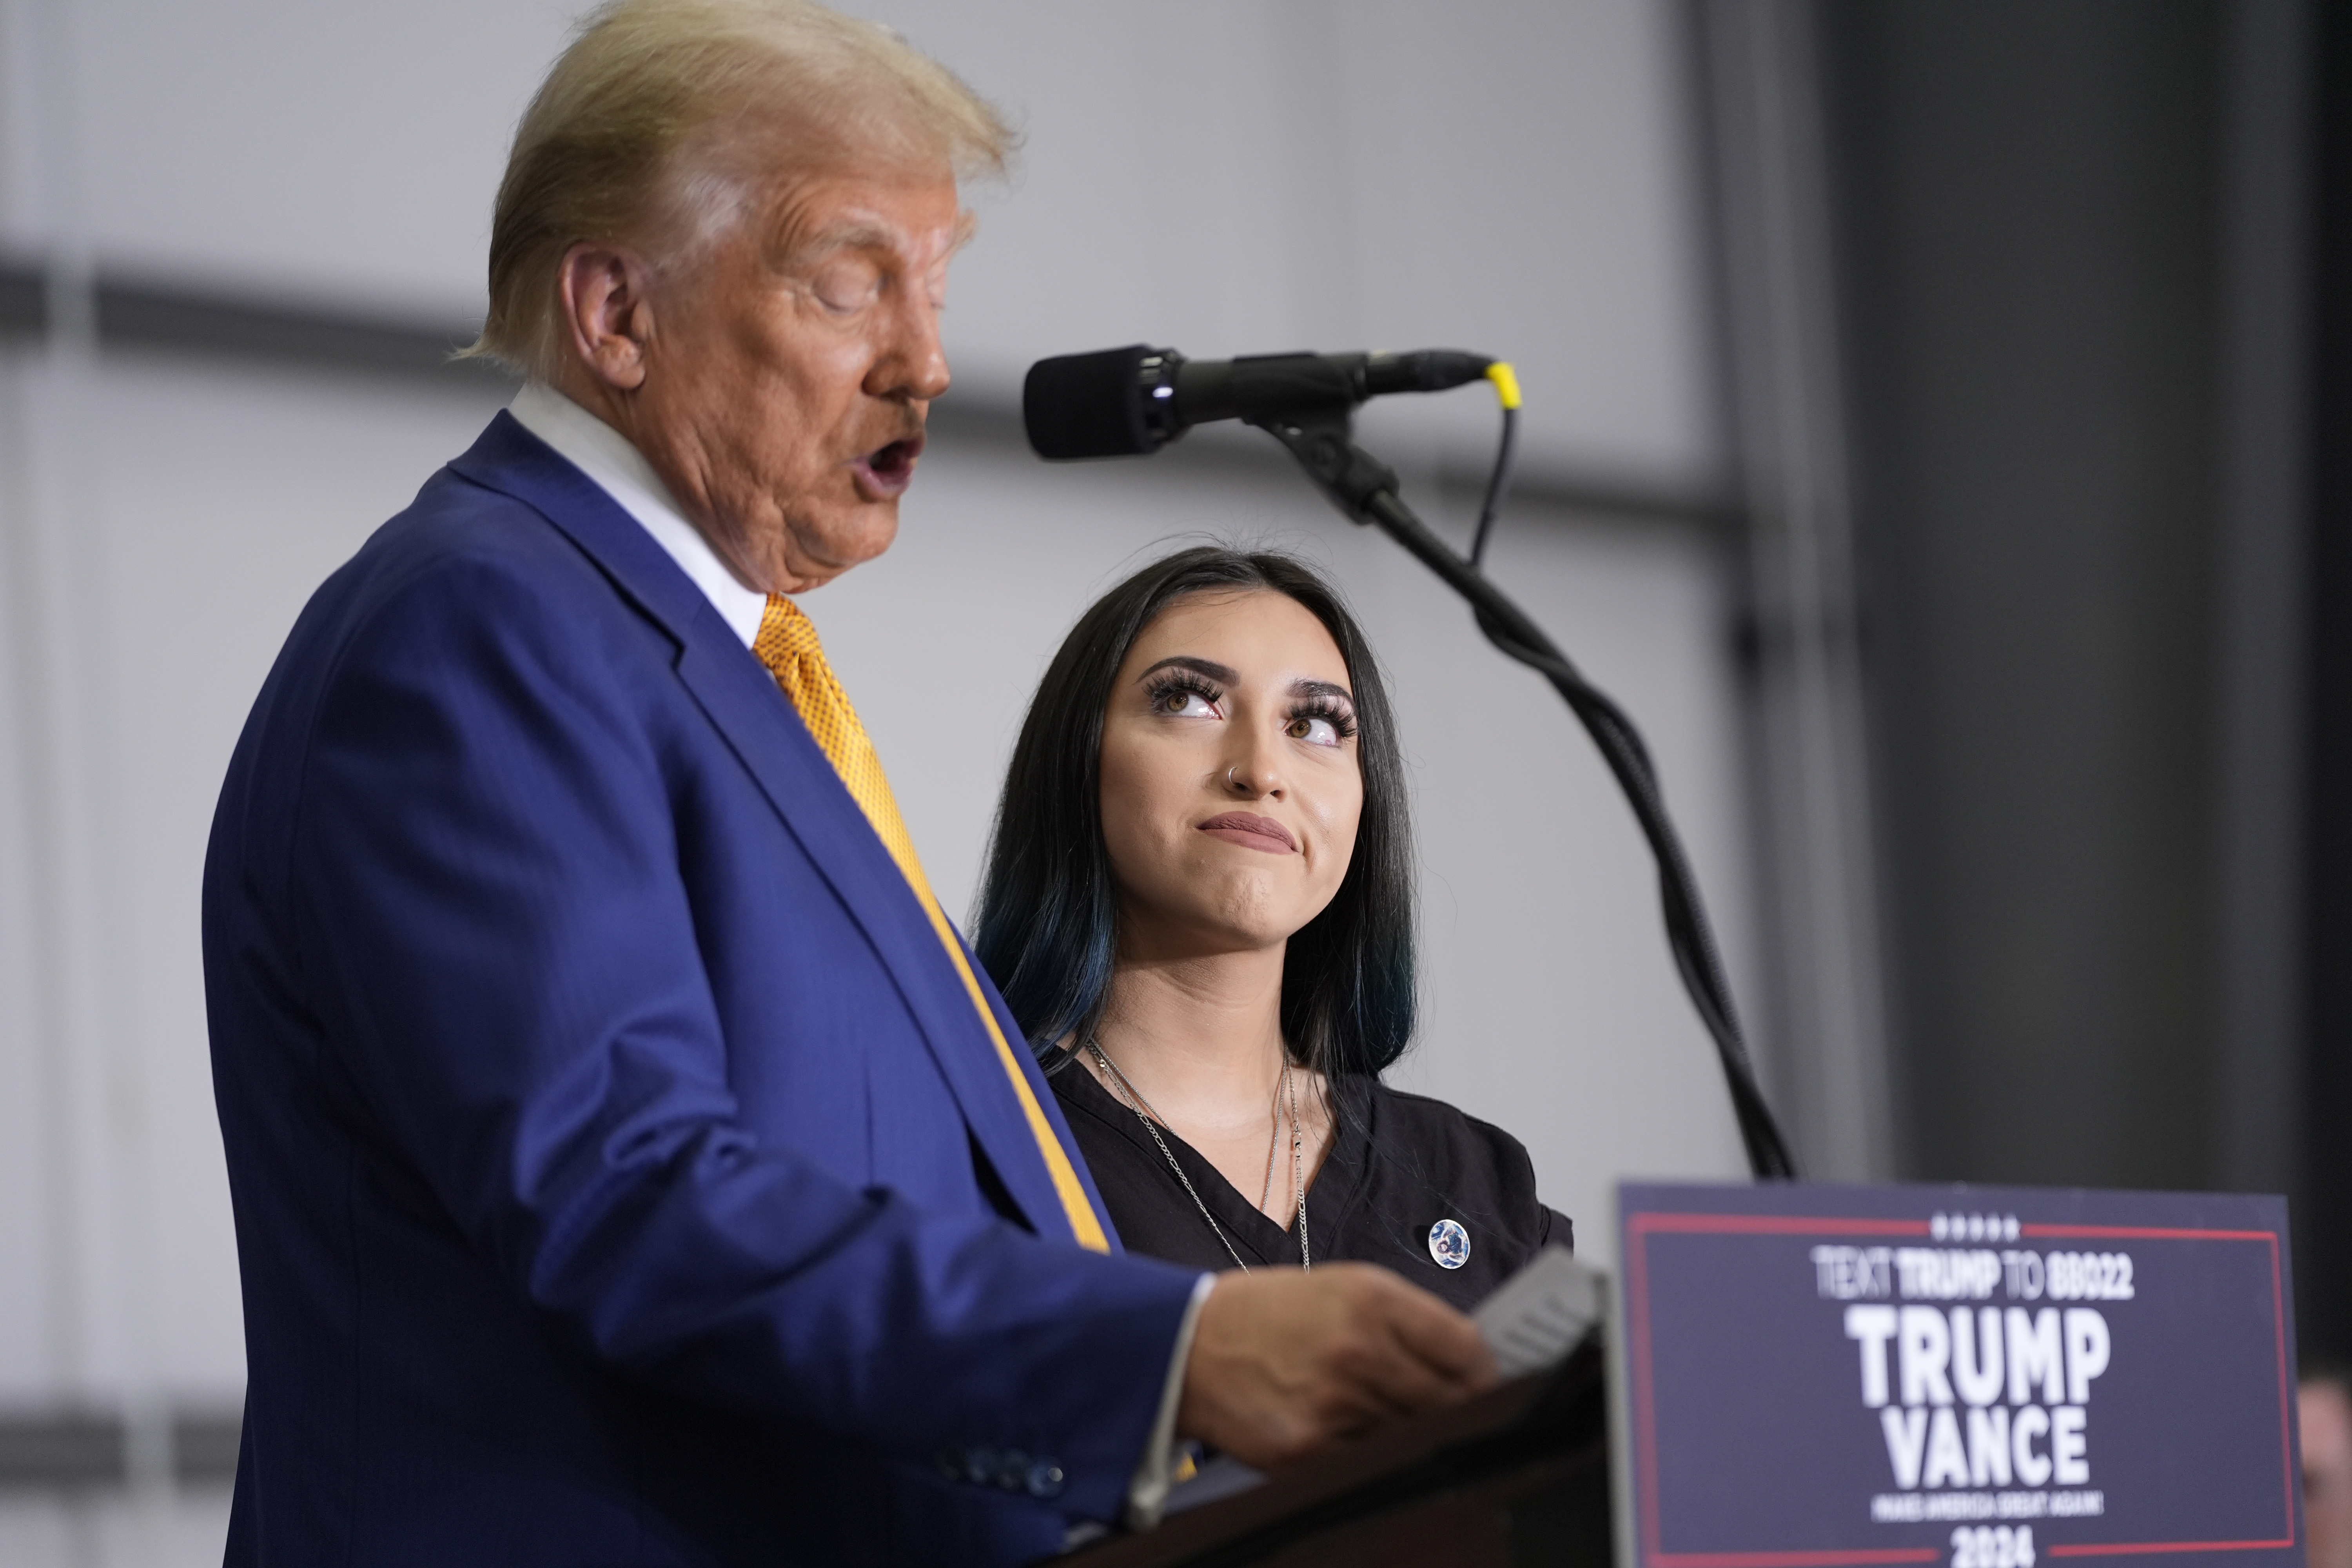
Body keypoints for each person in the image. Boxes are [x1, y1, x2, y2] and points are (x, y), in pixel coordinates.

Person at [200, 6, 1494, 1563]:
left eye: (935, 288)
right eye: (852, 278)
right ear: (618, 312)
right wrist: (1175, 1353)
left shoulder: (723, 669)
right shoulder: (484, 626)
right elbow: (627, 1194)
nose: (928, 362)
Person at [974, 548, 1572, 1308]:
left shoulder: (1476, 1182)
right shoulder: (977, 1146)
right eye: (1189, 701)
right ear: (1078, 759)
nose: (1261, 769)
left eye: (1315, 722)